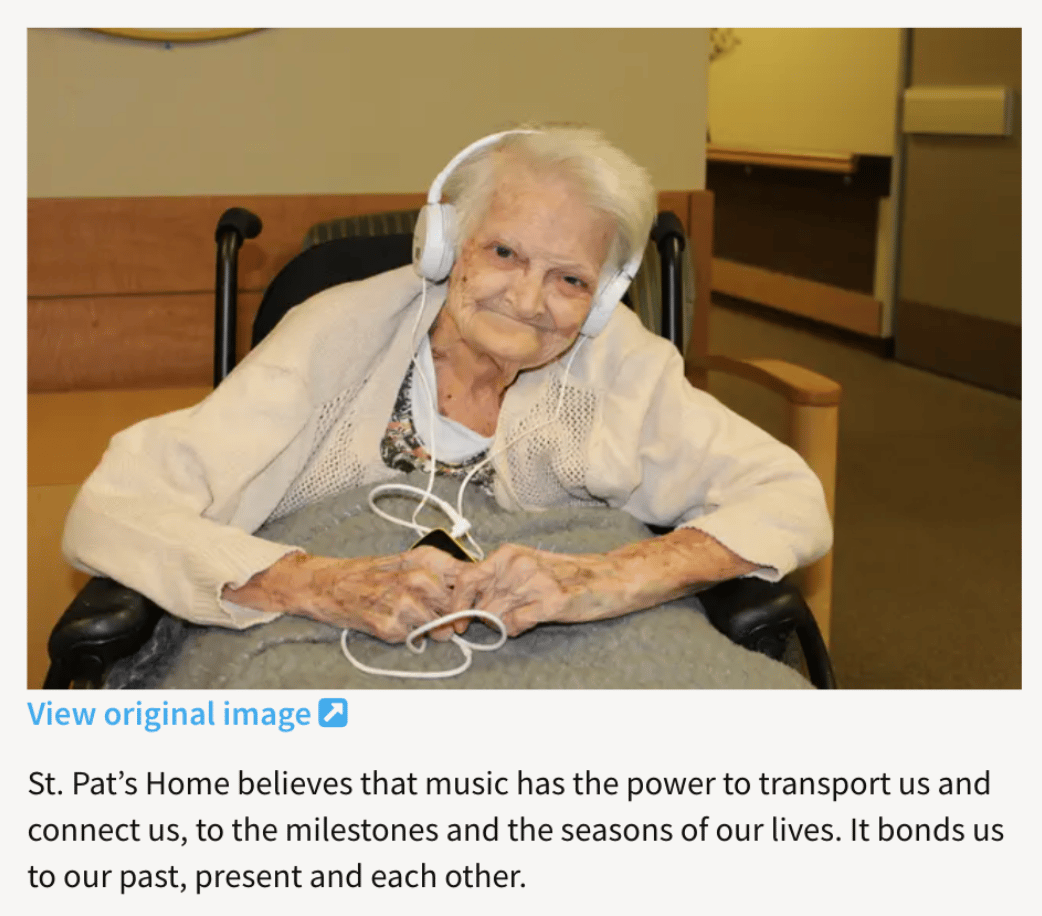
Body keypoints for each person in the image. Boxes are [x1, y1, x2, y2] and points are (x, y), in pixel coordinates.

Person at [63, 126, 832, 645]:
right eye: (503, 252)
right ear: (447, 245)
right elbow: (113, 506)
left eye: (569, 278)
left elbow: (787, 497)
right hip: (334, 650)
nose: (529, 300)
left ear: (600, 297)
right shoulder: (336, 333)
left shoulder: (618, 362)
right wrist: (312, 583)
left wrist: (608, 577)